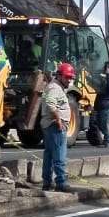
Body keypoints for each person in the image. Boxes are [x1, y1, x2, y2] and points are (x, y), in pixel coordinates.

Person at [39, 62, 75, 194]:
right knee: (59, 155)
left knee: (49, 154)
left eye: (71, 78)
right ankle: (61, 182)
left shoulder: (56, 87)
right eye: (67, 77)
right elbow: (50, 104)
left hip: (50, 125)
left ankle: (47, 182)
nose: (69, 80)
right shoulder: (54, 88)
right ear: (59, 76)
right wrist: (59, 120)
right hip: (55, 125)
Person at [93, 63, 109, 147]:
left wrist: (108, 75)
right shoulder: (101, 85)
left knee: (104, 124)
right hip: (101, 107)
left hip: (106, 107)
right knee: (100, 124)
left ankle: (108, 140)